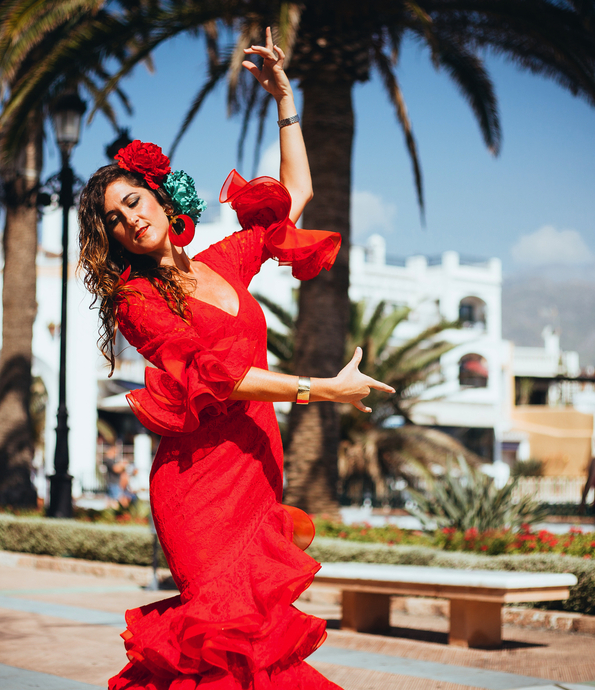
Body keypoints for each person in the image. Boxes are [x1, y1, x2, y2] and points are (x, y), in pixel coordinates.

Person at [76, 28, 391, 690]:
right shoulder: (136, 301)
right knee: (218, 639)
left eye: (133, 201)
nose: (129, 220)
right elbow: (219, 378)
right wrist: (321, 390)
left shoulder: (224, 263)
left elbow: (294, 196)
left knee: (252, 649)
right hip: (196, 487)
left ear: (161, 198)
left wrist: (284, 98)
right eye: (113, 219)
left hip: (254, 470)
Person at [102, 443, 136, 508]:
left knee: (115, 502)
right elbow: (116, 469)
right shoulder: (108, 460)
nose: (116, 453)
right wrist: (123, 465)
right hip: (113, 483)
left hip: (117, 484)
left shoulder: (114, 460)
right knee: (116, 502)